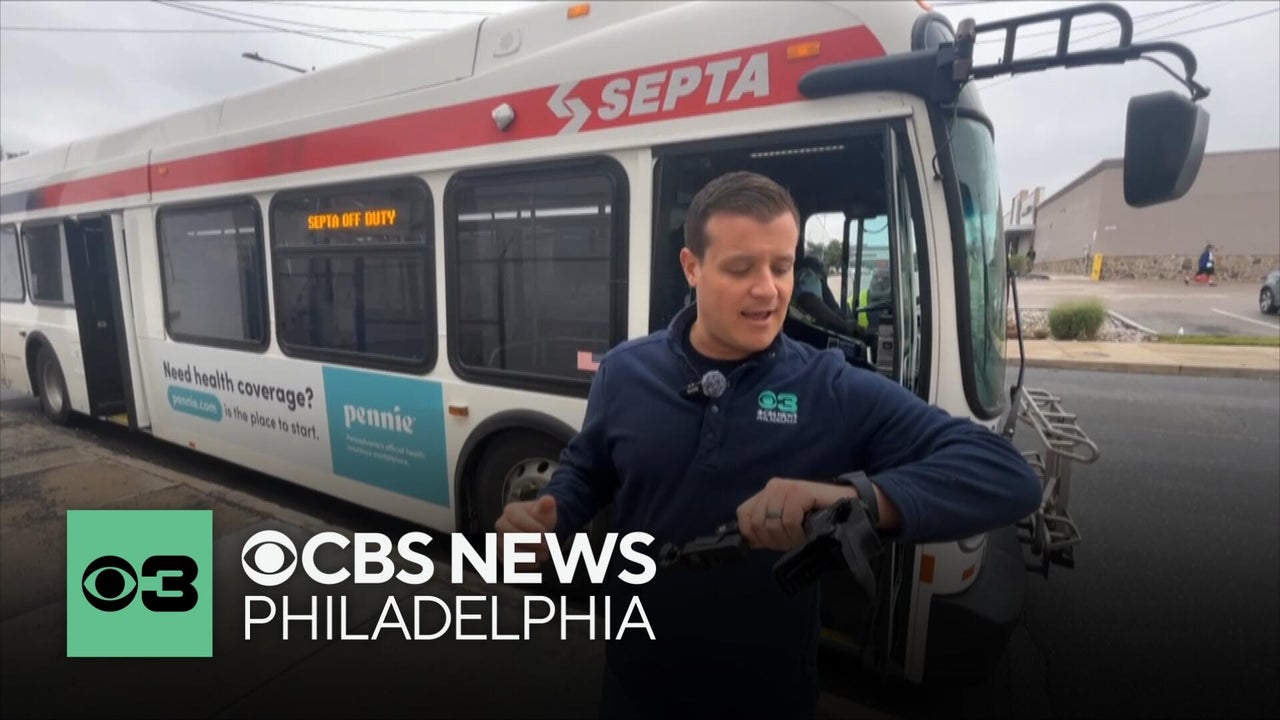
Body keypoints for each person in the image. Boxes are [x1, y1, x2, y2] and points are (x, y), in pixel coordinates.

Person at [495, 171, 1041, 719]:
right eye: (741, 268)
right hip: (635, 684)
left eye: (782, 266)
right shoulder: (624, 372)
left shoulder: (830, 387)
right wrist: (552, 514)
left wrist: (854, 501)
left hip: (769, 694)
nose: (769, 289)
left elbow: (1005, 474)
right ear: (691, 267)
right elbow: (587, 470)